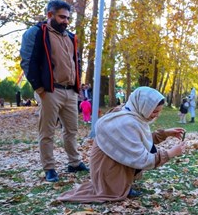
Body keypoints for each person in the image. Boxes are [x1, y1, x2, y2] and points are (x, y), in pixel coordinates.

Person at [57, 87, 187, 203]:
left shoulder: (130, 112)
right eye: (154, 111)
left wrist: (164, 134)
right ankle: (114, 186)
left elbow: (137, 141)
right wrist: (170, 153)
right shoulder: (126, 121)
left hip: (109, 167)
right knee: (144, 155)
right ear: (143, 106)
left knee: (146, 151)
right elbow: (141, 158)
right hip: (106, 171)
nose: (156, 115)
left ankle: (122, 183)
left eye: (159, 111)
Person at [20, 0, 88, 182]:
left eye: (67, 18)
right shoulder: (36, 33)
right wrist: (39, 88)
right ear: (50, 15)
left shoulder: (70, 37)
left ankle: (74, 163)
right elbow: (27, 61)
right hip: (50, 91)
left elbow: (76, 62)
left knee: (71, 130)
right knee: (47, 132)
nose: (66, 21)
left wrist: (77, 86)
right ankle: (49, 168)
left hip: (70, 92)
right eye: (62, 17)